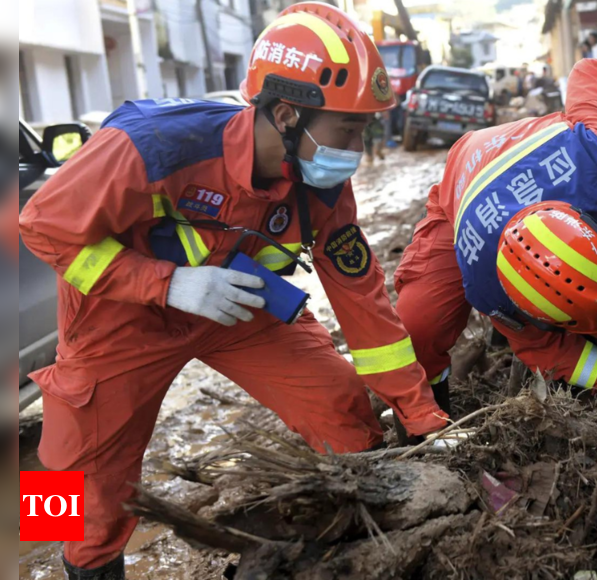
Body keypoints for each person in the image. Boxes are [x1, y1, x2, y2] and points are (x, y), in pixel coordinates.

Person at [18, 4, 448, 578]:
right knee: (73, 486)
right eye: (349, 128)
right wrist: (167, 284)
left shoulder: (321, 185)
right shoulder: (150, 146)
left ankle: (353, 548)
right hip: (119, 320)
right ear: (289, 114)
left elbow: (362, 299)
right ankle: (57, 565)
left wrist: (424, 418)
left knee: (342, 407)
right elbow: (40, 226)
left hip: (239, 305)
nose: (358, 146)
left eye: (364, 128)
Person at [394, 58, 597, 438]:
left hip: (546, 160)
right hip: (464, 194)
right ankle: (423, 426)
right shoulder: (490, 287)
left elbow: (592, 73)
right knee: (419, 324)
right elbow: (550, 351)